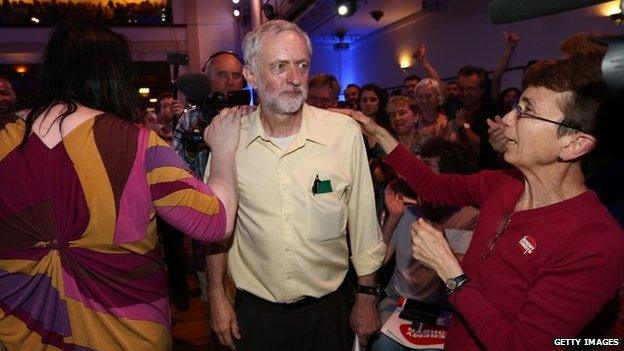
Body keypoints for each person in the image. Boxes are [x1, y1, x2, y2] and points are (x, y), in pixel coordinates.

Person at [337, 58, 624, 350]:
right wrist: (378, 132)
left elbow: (522, 345)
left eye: (527, 112)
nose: (508, 120)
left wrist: (451, 273)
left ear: (574, 143)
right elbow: (433, 186)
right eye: (517, 107)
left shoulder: (594, 241)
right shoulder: (504, 185)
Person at [0, 20, 238, 350]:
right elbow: (215, 222)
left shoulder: (4, 137)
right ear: (115, 76)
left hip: (20, 332)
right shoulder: (139, 145)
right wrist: (225, 149)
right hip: (126, 335)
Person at [205, 20, 385, 351]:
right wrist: (216, 295)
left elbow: (364, 224)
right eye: (280, 67)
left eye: (302, 65)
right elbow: (217, 230)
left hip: (329, 313)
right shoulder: (230, 139)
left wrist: (367, 298)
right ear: (252, 75)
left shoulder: (342, 134)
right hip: (256, 318)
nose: (295, 78)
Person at [370, 139, 478, 351]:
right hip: (399, 304)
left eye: (427, 168)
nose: (419, 176)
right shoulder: (408, 209)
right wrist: (393, 218)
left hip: (444, 312)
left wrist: (435, 222)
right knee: (382, 346)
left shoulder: (471, 219)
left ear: (450, 177)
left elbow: (461, 274)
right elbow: (379, 260)